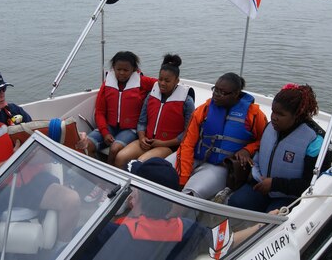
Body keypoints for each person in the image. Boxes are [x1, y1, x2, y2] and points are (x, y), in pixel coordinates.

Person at [0, 67, 80, 259]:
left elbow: (40, 144)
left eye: (3, 89)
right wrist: (15, 159)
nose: (1, 94)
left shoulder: (15, 112)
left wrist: (74, 142)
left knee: (71, 200)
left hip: (30, 181)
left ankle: (61, 251)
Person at [81, 158, 270, 260]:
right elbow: (225, 241)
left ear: (135, 196)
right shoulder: (188, 231)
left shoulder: (108, 233)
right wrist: (262, 224)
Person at [228, 83, 332, 213]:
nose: (274, 117)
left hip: (290, 195)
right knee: (235, 203)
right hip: (261, 186)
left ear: (297, 115)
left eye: (280, 114)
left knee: (272, 221)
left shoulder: (315, 140)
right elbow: (260, 153)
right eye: (273, 111)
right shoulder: (269, 127)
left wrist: (274, 184)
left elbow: (313, 183)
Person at [167, 72, 267, 199]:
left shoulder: (254, 115)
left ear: (236, 94)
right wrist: (182, 177)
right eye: (215, 90)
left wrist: (248, 149)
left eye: (222, 92)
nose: (216, 95)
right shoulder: (203, 110)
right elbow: (187, 144)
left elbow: (265, 140)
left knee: (191, 193)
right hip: (194, 156)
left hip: (220, 166)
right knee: (160, 173)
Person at [84, 51, 157, 202]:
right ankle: (98, 182)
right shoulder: (107, 84)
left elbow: (163, 83)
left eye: (126, 70)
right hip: (109, 127)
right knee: (87, 144)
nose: (122, 73)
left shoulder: (143, 82)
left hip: (130, 129)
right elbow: (100, 112)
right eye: (118, 69)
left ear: (134, 70)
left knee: (115, 148)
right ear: (113, 68)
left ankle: (110, 185)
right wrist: (104, 132)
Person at [115, 54, 195, 169]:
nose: (162, 83)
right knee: (120, 157)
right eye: (160, 79)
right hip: (146, 140)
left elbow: (187, 133)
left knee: (140, 163)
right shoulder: (151, 95)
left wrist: (162, 143)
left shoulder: (187, 102)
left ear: (177, 81)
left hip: (167, 146)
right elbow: (142, 122)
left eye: (167, 81)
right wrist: (142, 137)